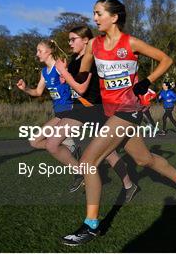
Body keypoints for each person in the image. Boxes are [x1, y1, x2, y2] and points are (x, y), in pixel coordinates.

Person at [61, 0, 176, 246]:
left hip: (129, 109)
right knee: (144, 159)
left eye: (99, 13)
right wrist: (65, 72)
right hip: (109, 113)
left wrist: (147, 81)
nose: (95, 18)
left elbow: (165, 59)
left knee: (88, 161)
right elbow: (82, 76)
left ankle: (91, 226)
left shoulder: (130, 42)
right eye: (94, 14)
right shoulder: (94, 45)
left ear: (114, 17)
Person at [55, 26, 138, 199]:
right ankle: (83, 171)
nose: (69, 43)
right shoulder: (74, 60)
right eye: (69, 40)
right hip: (80, 109)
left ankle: (124, 184)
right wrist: (64, 77)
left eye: (73, 39)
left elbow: (83, 88)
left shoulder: (91, 59)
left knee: (110, 154)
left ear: (86, 40)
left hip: (94, 109)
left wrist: (65, 73)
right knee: (52, 142)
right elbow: (74, 84)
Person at [16, 40, 80, 189]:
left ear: (49, 51)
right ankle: (71, 149)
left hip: (71, 112)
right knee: (34, 141)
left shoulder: (60, 64)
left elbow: (77, 80)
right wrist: (25, 89)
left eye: (39, 50)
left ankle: (79, 171)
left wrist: (68, 77)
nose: (37, 53)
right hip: (59, 114)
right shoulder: (44, 72)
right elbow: (38, 92)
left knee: (52, 144)